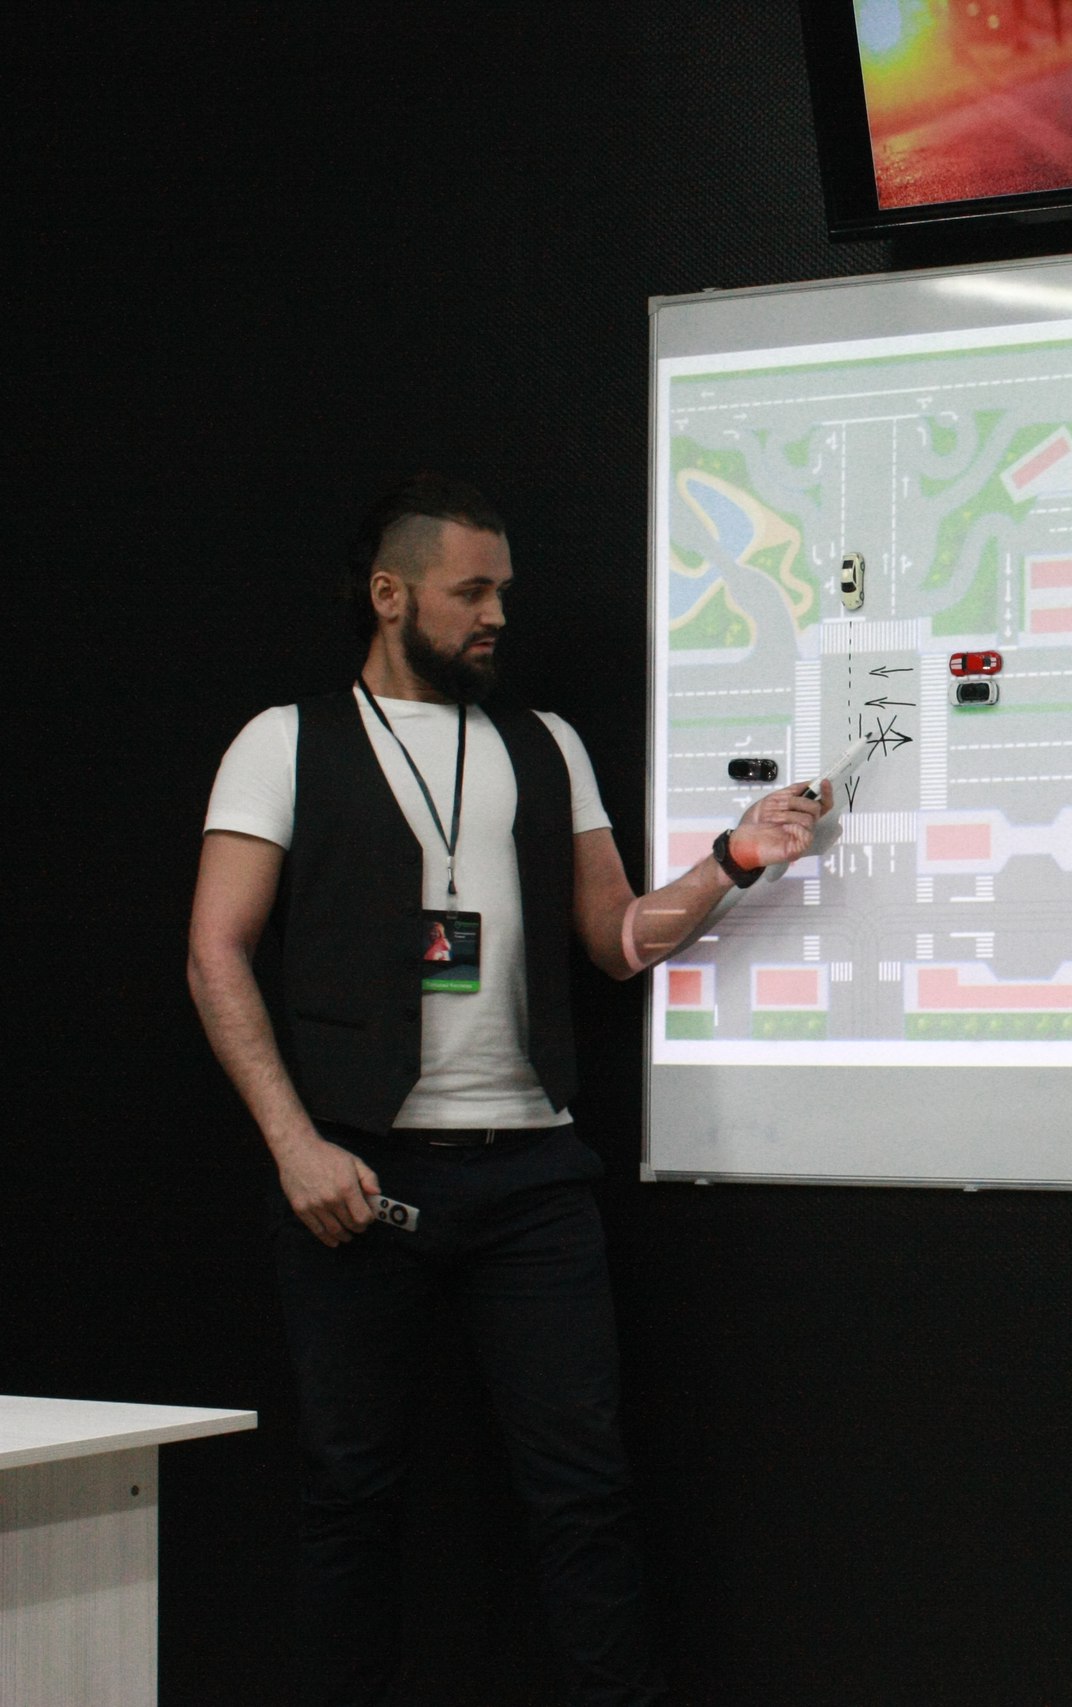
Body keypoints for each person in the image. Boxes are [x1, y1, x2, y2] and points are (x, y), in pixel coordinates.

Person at [187, 473, 830, 1706]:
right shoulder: (285, 741)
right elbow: (216, 951)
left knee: (584, 1491)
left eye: (503, 592)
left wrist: (735, 859)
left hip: (532, 1174)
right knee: (349, 1491)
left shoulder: (546, 744)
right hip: (358, 1173)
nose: (495, 615)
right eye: (470, 591)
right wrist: (293, 1145)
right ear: (390, 595)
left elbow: (619, 940)